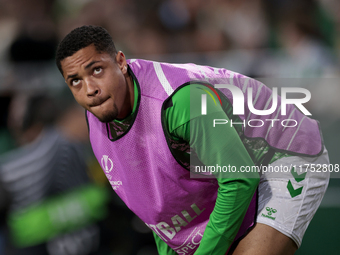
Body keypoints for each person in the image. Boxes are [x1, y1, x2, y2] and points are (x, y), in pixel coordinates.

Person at [55, 25, 330, 255]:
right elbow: (159, 213)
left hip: (285, 151)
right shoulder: (99, 114)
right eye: (75, 81)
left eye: (97, 71)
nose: (89, 89)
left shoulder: (181, 102)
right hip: (233, 162)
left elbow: (239, 178)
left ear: (121, 62)